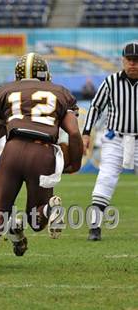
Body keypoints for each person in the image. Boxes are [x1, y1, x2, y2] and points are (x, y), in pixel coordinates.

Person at [0, 52, 83, 272]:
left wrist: (12, 117)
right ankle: (50, 211)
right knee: (36, 221)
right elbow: (73, 133)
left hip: (13, 149)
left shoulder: (5, 91)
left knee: (0, 208)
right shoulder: (60, 93)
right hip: (43, 153)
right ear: (45, 75)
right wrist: (76, 162)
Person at [82, 42, 138, 241]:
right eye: (130, 60)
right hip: (116, 138)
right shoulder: (111, 82)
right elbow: (95, 107)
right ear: (123, 60)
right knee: (106, 178)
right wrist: (86, 133)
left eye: (137, 60)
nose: (133, 64)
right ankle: (95, 227)